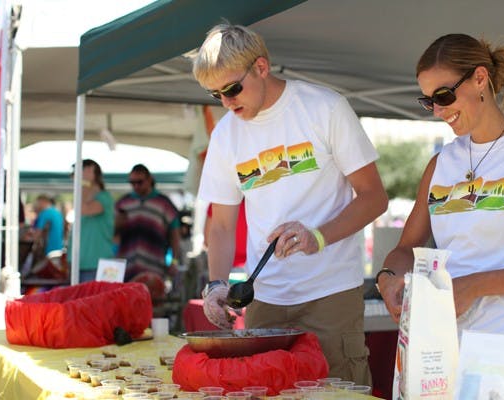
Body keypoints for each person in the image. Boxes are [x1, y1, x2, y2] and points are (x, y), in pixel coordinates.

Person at [192, 23, 388, 384]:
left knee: (339, 389)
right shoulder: (225, 134)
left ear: (261, 68)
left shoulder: (323, 107)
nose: (227, 102)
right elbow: (220, 225)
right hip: (264, 298)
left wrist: (318, 236)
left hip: (329, 292)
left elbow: (375, 197)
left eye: (233, 88)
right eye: (215, 94)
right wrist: (217, 284)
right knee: (269, 390)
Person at [376, 33, 504, 338]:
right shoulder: (441, 163)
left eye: (444, 95)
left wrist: (474, 286)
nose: (437, 110)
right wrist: (388, 279)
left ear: (480, 79)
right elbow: (406, 248)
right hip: (438, 342)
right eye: (428, 100)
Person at [115, 164, 182, 298]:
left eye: (139, 182)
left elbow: (175, 235)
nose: (136, 186)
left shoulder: (164, 203)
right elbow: (113, 233)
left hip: (155, 264)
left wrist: (174, 261)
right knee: (127, 303)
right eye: (132, 183)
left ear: (150, 179)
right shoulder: (123, 203)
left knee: (153, 305)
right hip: (127, 265)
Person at [68, 159, 115, 282]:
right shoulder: (86, 198)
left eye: (79, 172)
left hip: (97, 265)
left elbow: (83, 209)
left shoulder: (104, 197)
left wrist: (83, 184)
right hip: (80, 264)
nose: (74, 177)